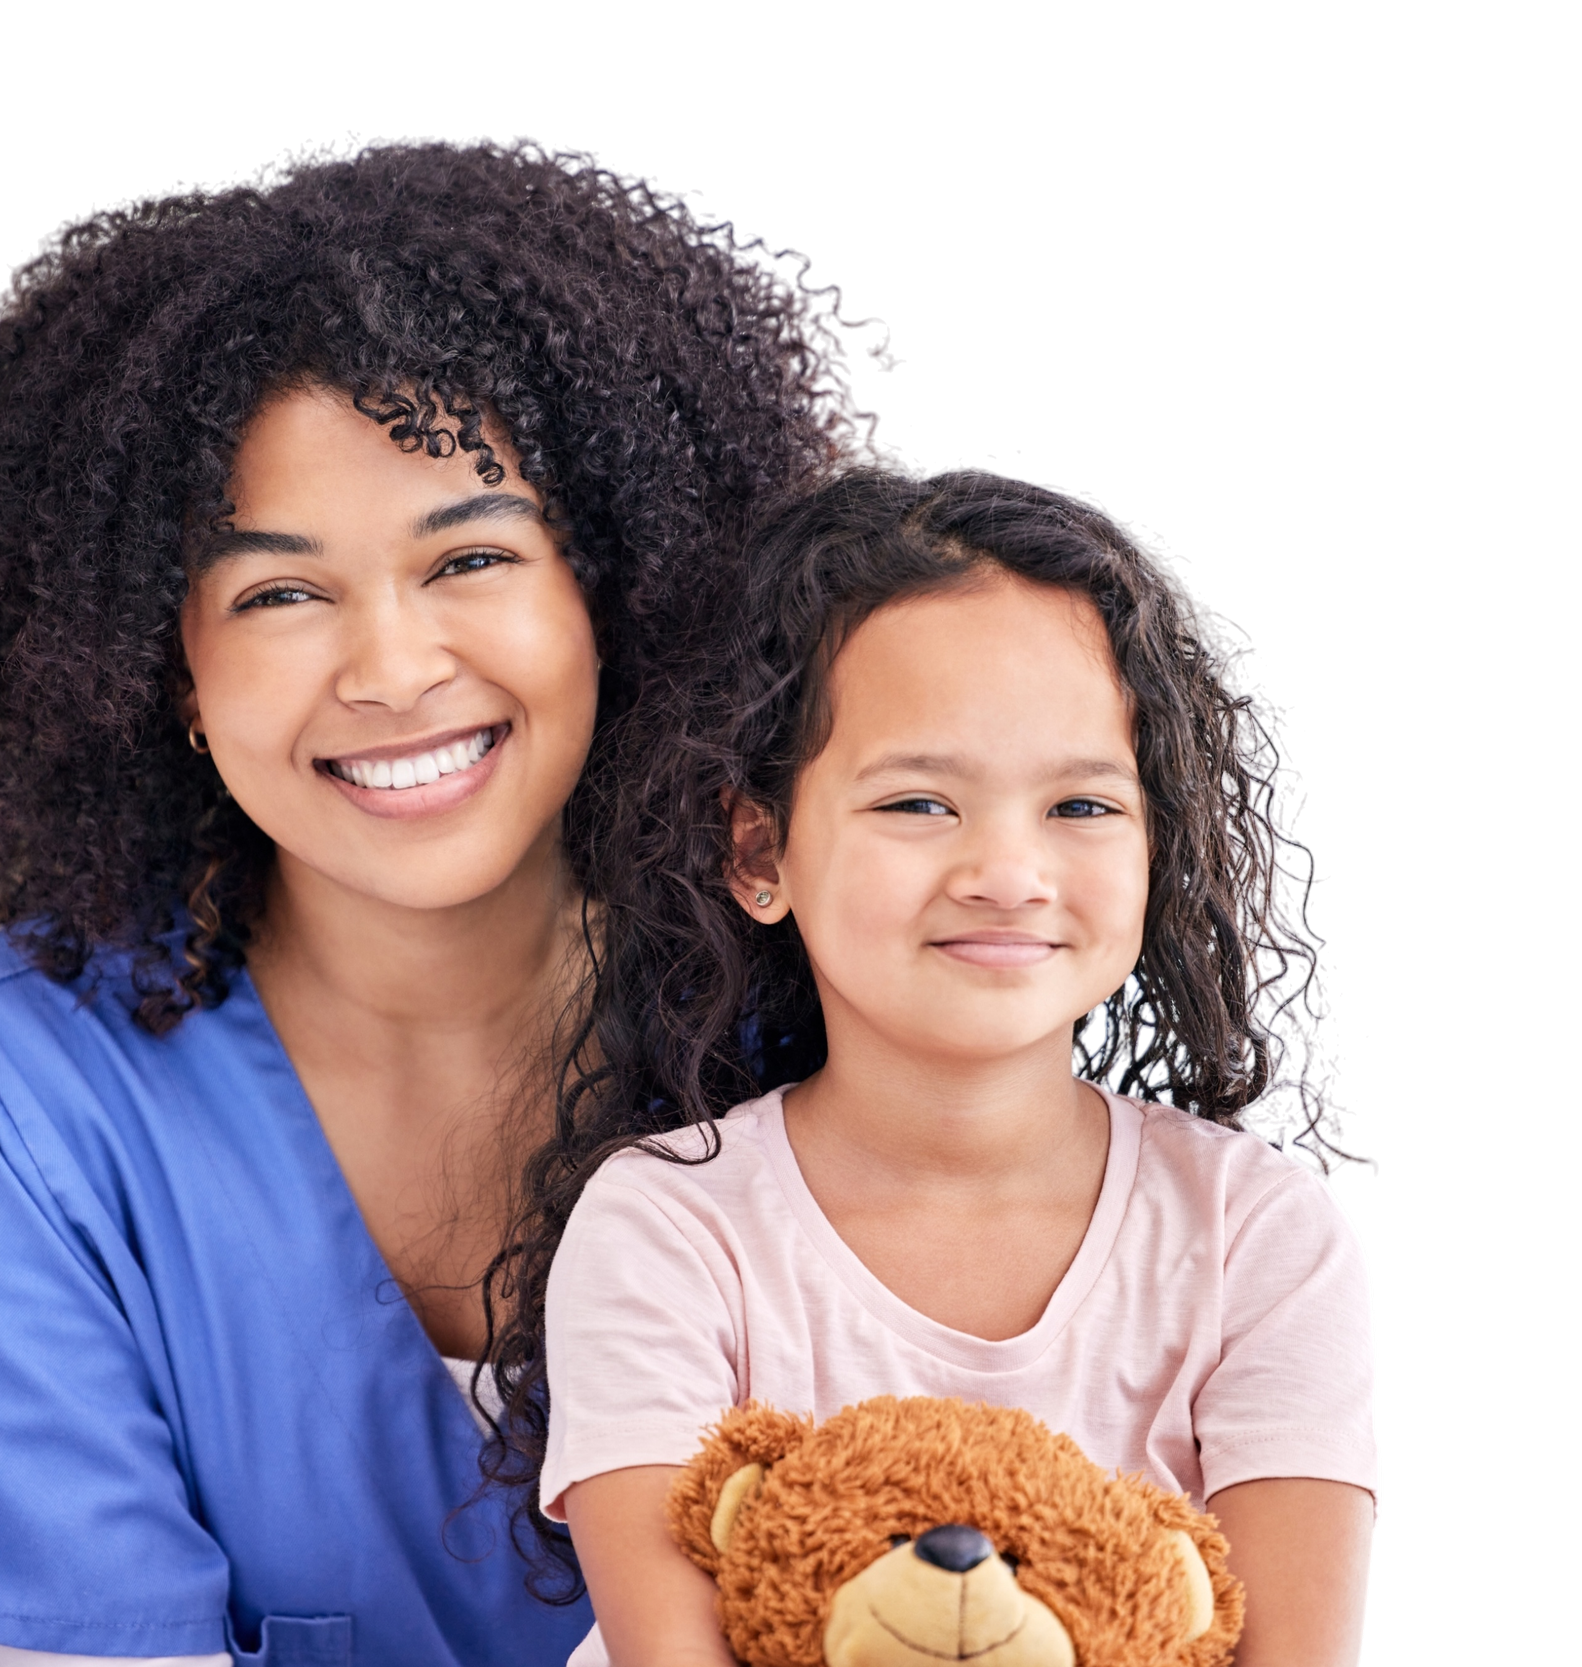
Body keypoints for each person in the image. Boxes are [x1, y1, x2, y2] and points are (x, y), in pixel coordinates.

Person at [0, 136, 884, 1667]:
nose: (389, 669)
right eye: (279, 592)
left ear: (622, 592)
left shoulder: (847, 1000)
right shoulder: (7, 1104)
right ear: (161, 668)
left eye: (473, 556)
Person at [493, 469, 1380, 1666]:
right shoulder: (666, 1226)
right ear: (761, 848)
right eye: (917, 800)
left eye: (1079, 804)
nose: (1007, 870)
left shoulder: (1260, 1236)